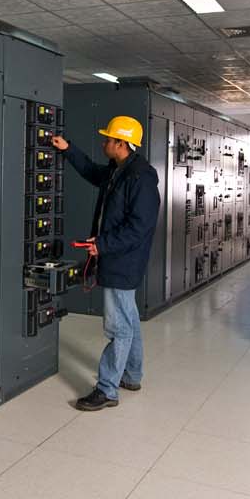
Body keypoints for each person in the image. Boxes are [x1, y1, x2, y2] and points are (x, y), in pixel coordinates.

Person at [52, 116, 161, 411]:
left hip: (122, 261)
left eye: (108, 139)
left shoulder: (141, 177)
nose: (104, 143)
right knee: (129, 319)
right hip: (116, 257)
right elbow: (91, 171)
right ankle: (132, 375)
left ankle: (107, 389)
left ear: (121, 143)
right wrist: (68, 149)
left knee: (118, 327)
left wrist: (102, 244)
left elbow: (139, 227)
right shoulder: (118, 170)